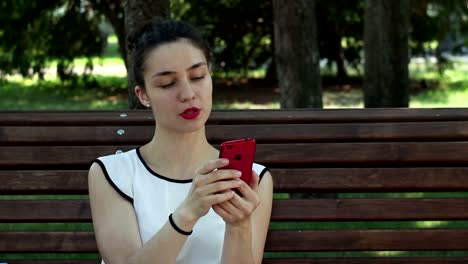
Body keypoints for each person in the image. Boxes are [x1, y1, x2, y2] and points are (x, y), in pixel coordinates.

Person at [88, 18, 273, 264]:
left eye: (197, 76)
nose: (188, 94)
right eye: (168, 83)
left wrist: (239, 226)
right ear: (143, 95)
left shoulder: (250, 179)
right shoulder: (113, 174)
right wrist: (187, 214)